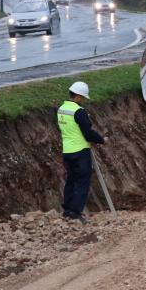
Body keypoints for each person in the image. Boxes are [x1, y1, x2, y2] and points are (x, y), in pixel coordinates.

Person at [57, 81, 106, 223]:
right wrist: (102, 140)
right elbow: (88, 133)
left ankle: (67, 210)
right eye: (83, 97)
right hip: (80, 151)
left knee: (71, 180)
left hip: (67, 151)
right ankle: (75, 212)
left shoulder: (61, 109)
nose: (83, 100)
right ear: (78, 96)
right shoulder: (79, 112)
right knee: (82, 182)